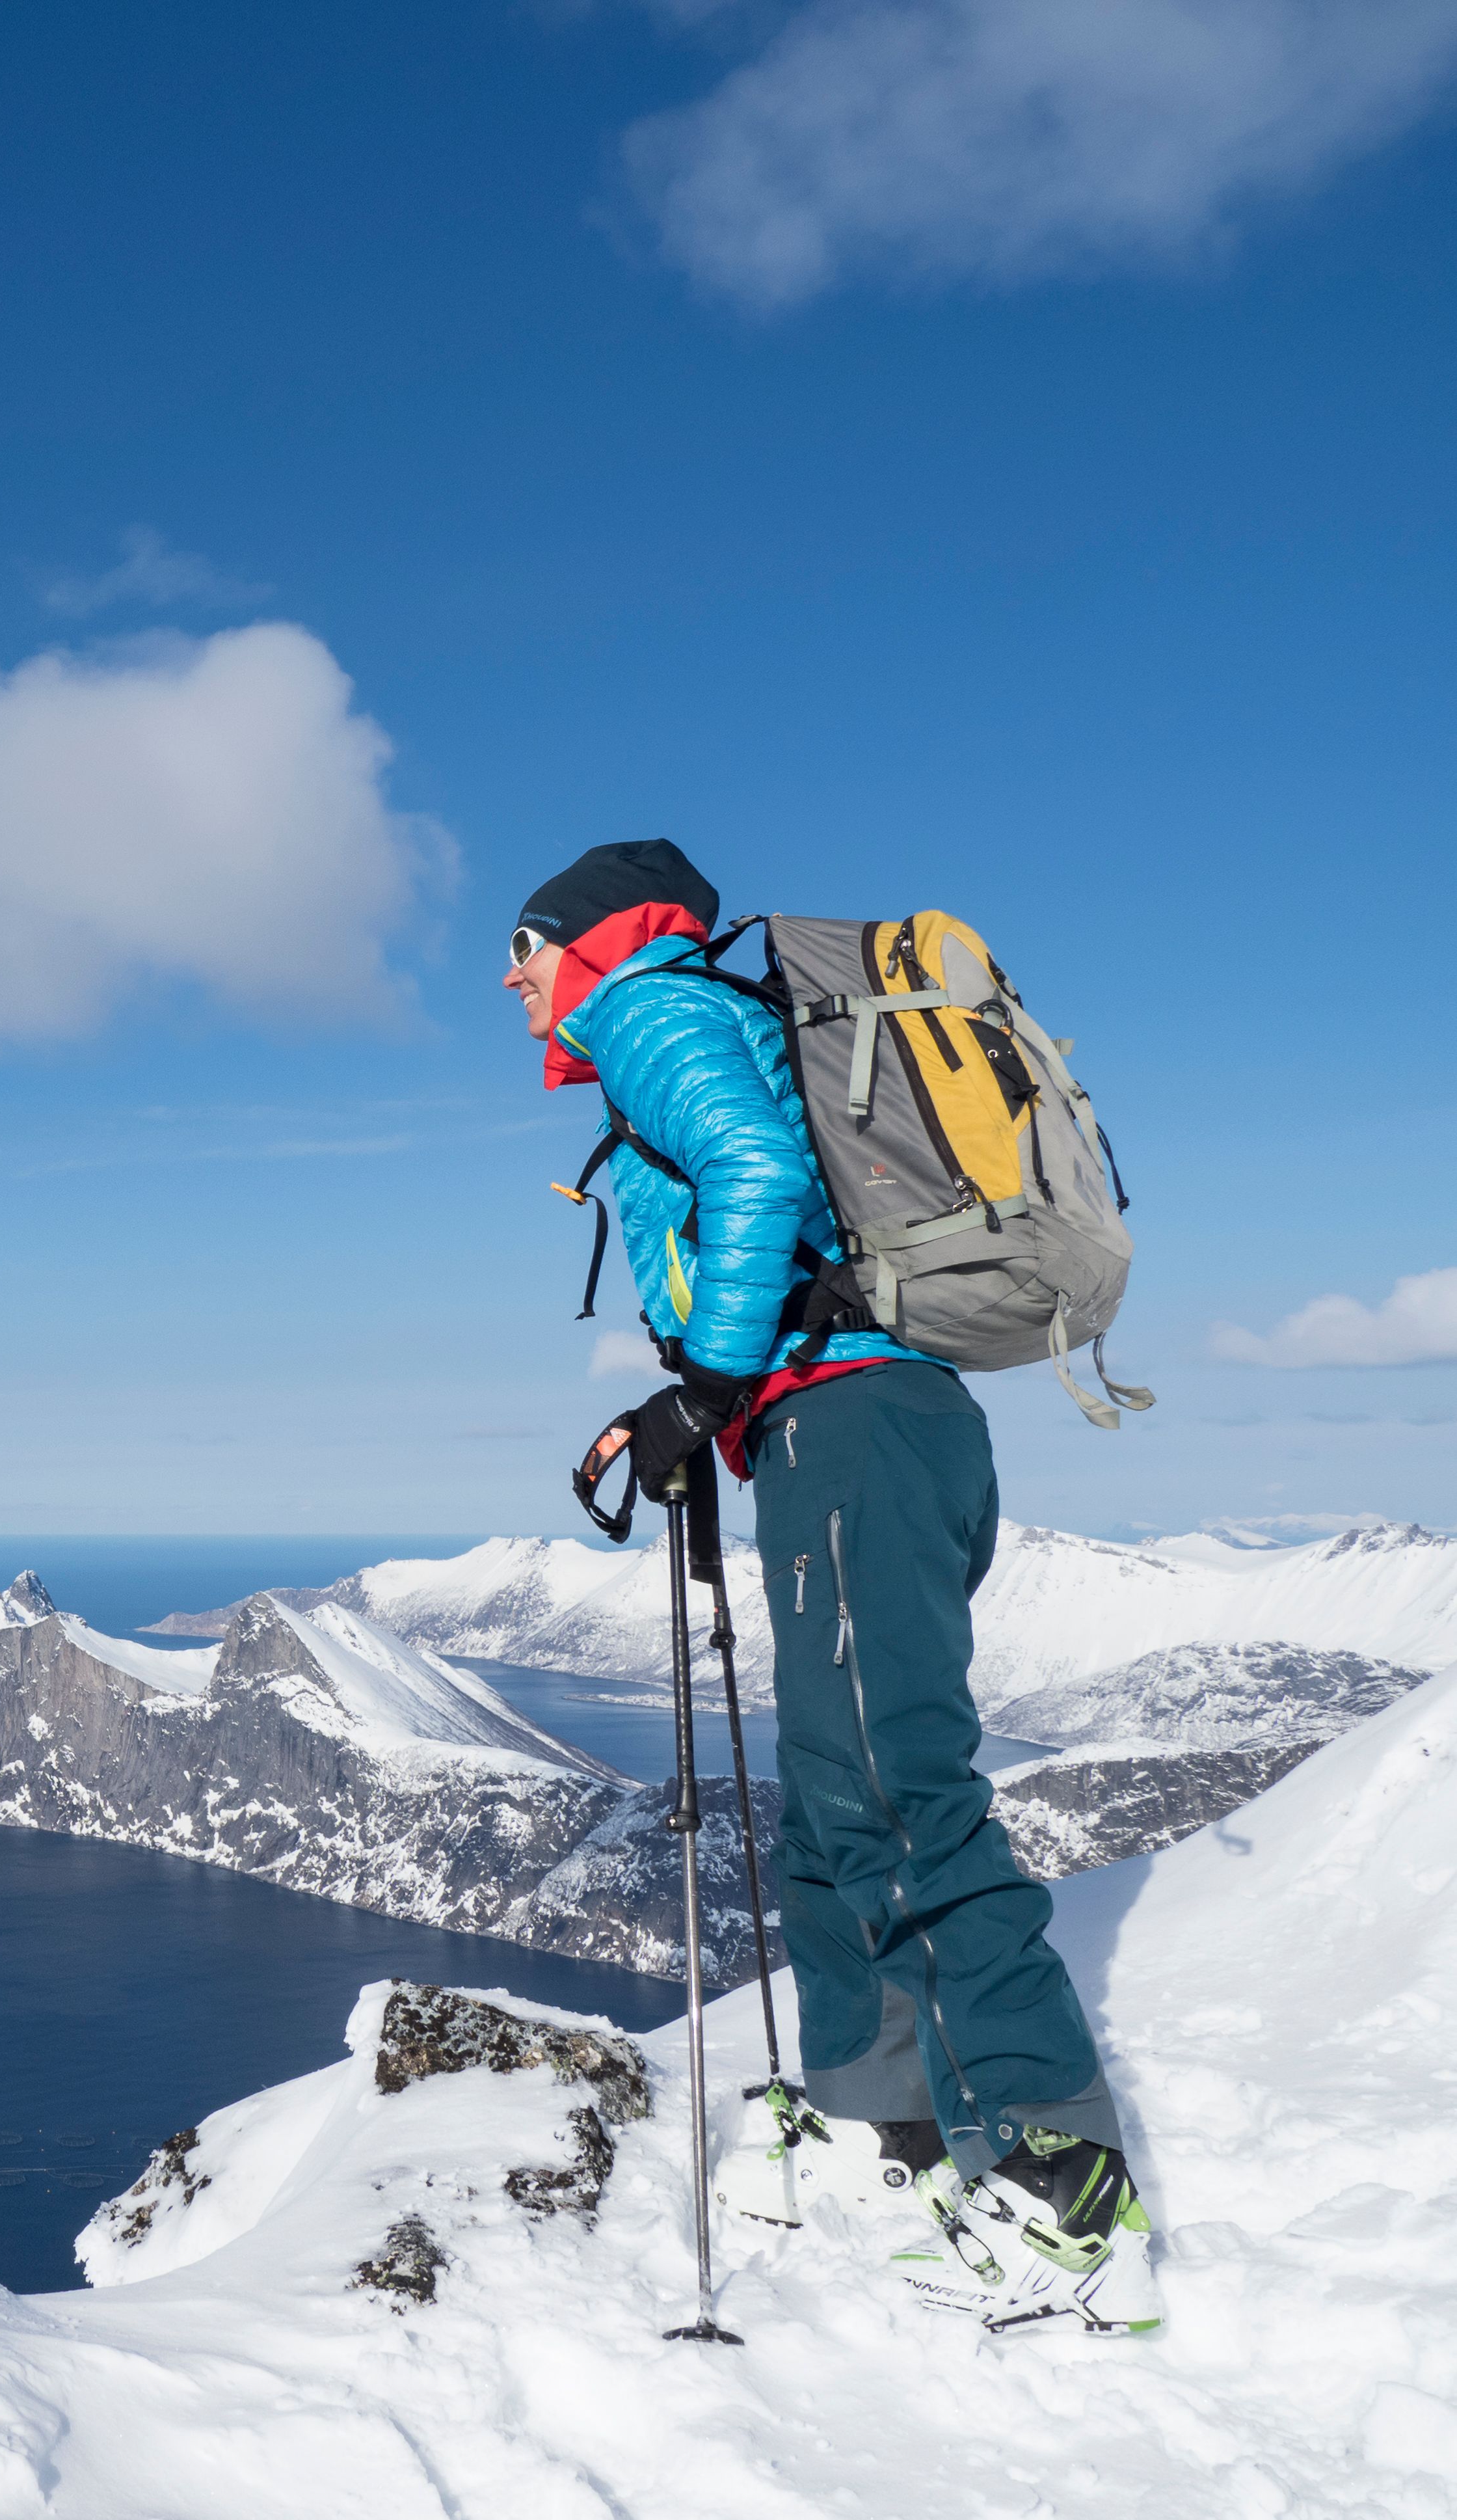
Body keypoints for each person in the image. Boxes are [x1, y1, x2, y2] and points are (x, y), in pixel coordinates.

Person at [504, 837, 1160, 2336]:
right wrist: (687, 1405)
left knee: (895, 1779)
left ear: (595, 935)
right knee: (837, 1784)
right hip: (841, 1427)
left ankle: (1060, 2180)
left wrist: (714, 1377)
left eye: (526, 945)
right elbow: (767, 1215)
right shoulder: (678, 1017)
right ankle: (885, 2122)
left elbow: (753, 1167)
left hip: (848, 1422)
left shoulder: (648, 1010)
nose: (511, 978)